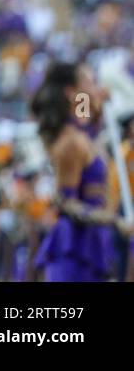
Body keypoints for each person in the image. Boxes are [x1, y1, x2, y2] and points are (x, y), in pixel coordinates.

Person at [30, 62, 131, 281]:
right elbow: (66, 203)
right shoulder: (71, 143)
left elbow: (86, 116)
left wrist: (98, 103)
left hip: (92, 241)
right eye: (89, 82)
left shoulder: (83, 133)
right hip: (74, 249)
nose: (96, 87)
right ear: (71, 92)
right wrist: (114, 220)